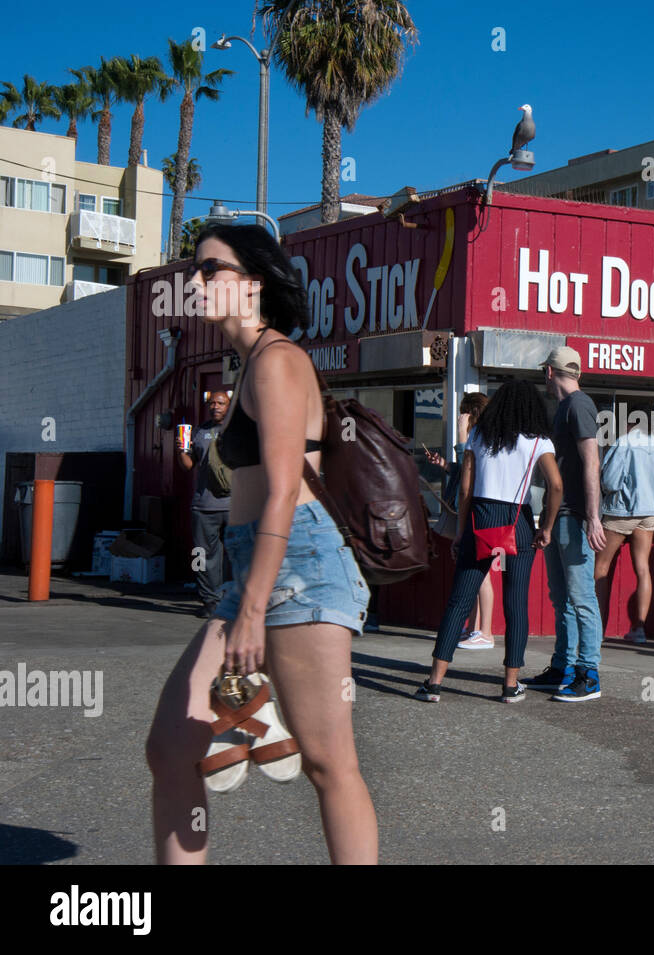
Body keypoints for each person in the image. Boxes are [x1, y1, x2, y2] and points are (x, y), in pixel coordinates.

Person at [146, 224, 377, 864]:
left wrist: (250, 610)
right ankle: (252, 727)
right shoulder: (246, 363)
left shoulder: (276, 361)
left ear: (253, 283)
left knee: (329, 762)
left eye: (210, 271)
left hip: (299, 563)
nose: (196, 284)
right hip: (253, 562)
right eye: (194, 272)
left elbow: (280, 491)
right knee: (170, 748)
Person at [413, 380, 562, 704]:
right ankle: (510, 685)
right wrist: (546, 527)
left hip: (482, 521)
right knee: (515, 602)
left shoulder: (479, 436)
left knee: (459, 600)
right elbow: (557, 485)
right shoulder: (538, 441)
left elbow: (465, 490)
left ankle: (434, 682)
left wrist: (463, 531)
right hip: (517, 526)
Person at [522, 347, 607, 702]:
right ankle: (563, 667)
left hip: (574, 516)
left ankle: (589, 675)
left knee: (581, 597)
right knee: (562, 598)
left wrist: (593, 517)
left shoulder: (578, 405)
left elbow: (591, 461)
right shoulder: (565, 409)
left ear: (549, 373)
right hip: (560, 515)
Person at [595, 402, 654, 644]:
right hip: (649, 512)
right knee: (642, 568)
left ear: (630, 422)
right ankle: (639, 628)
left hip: (621, 511)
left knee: (601, 568)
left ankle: (597, 628)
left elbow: (610, 481)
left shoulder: (624, 443)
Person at [426, 392, 497, 650]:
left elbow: (471, 469)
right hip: (473, 512)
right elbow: (464, 470)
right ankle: (474, 627)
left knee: (483, 574)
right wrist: (445, 465)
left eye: (464, 414)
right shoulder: (481, 439)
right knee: (475, 574)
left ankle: (486, 632)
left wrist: (461, 435)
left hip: (479, 512)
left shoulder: (482, 439)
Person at [177, 390, 233, 617]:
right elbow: (187, 466)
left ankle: (232, 601)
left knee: (235, 555)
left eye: (221, 403)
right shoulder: (199, 431)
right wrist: (182, 448)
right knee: (202, 555)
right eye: (212, 403)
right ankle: (210, 602)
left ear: (229, 406)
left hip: (235, 506)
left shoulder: (237, 431)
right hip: (204, 506)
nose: (216, 407)